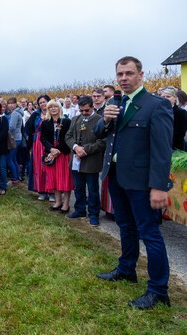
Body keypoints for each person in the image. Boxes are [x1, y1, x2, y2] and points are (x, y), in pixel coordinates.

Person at [94, 56, 173, 309]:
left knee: (150, 234)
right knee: (125, 226)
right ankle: (127, 269)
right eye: (120, 74)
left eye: (129, 73)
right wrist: (104, 119)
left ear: (141, 75)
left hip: (141, 181)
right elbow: (100, 133)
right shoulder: (115, 103)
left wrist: (159, 186)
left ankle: (158, 290)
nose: (124, 79)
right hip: (116, 176)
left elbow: (162, 151)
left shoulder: (156, 105)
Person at [65, 95, 106, 225]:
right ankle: (80, 209)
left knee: (93, 190)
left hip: (91, 161)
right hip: (76, 160)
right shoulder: (75, 119)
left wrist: (86, 150)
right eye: (81, 110)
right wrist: (76, 147)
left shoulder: (100, 120)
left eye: (86, 111)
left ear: (92, 107)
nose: (84, 113)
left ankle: (94, 214)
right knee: (78, 187)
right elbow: (68, 136)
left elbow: (103, 142)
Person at [40, 99, 73, 213]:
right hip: (51, 154)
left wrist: (58, 150)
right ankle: (58, 201)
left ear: (59, 108)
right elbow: (42, 138)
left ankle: (66, 204)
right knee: (54, 178)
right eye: (50, 107)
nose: (53, 109)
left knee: (65, 178)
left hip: (63, 153)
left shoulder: (67, 121)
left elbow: (68, 137)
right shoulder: (45, 122)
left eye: (55, 107)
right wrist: (51, 149)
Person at [159, 87, 187, 151]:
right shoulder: (158, 112)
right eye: (163, 97)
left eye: (168, 96)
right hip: (160, 147)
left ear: (175, 98)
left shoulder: (181, 112)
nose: (165, 99)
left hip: (176, 148)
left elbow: (180, 133)